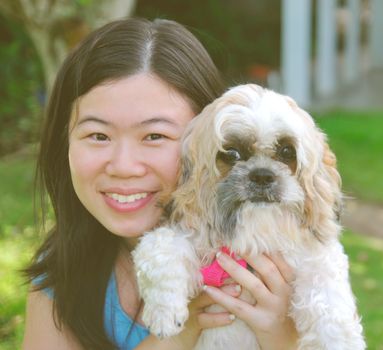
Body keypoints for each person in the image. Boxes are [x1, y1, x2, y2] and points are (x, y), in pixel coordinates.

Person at [22, 17, 298, 350]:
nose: (124, 166)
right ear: (63, 142)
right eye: (98, 135)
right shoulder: (61, 283)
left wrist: (284, 338)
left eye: (155, 135)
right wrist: (176, 337)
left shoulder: (277, 268)